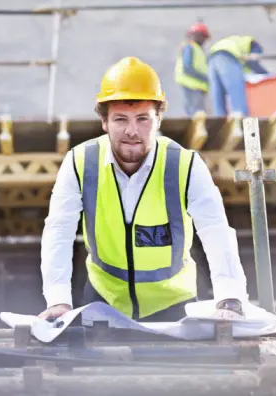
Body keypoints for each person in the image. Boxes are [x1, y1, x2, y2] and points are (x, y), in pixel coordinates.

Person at [38, 56, 248, 322]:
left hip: (175, 305)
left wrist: (230, 297)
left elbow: (215, 230)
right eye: (120, 120)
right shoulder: (80, 163)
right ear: (104, 122)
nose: (132, 131)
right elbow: (59, 229)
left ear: (159, 119)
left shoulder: (185, 165)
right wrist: (58, 300)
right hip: (104, 302)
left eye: (143, 119)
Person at [207, 35, 269, 117]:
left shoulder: (236, 42)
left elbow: (246, 68)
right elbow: (253, 62)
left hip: (212, 58)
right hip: (227, 56)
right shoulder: (254, 45)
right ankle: (240, 119)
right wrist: (266, 74)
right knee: (236, 89)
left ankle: (220, 121)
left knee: (218, 94)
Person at [174, 21, 210, 116]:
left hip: (197, 86)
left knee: (197, 113)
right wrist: (206, 78)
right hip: (192, 85)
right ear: (196, 35)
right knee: (196, 113)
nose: (204, 40)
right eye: (203, 37)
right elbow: (188, 68)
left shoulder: (197, 49)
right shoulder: (189, 47)